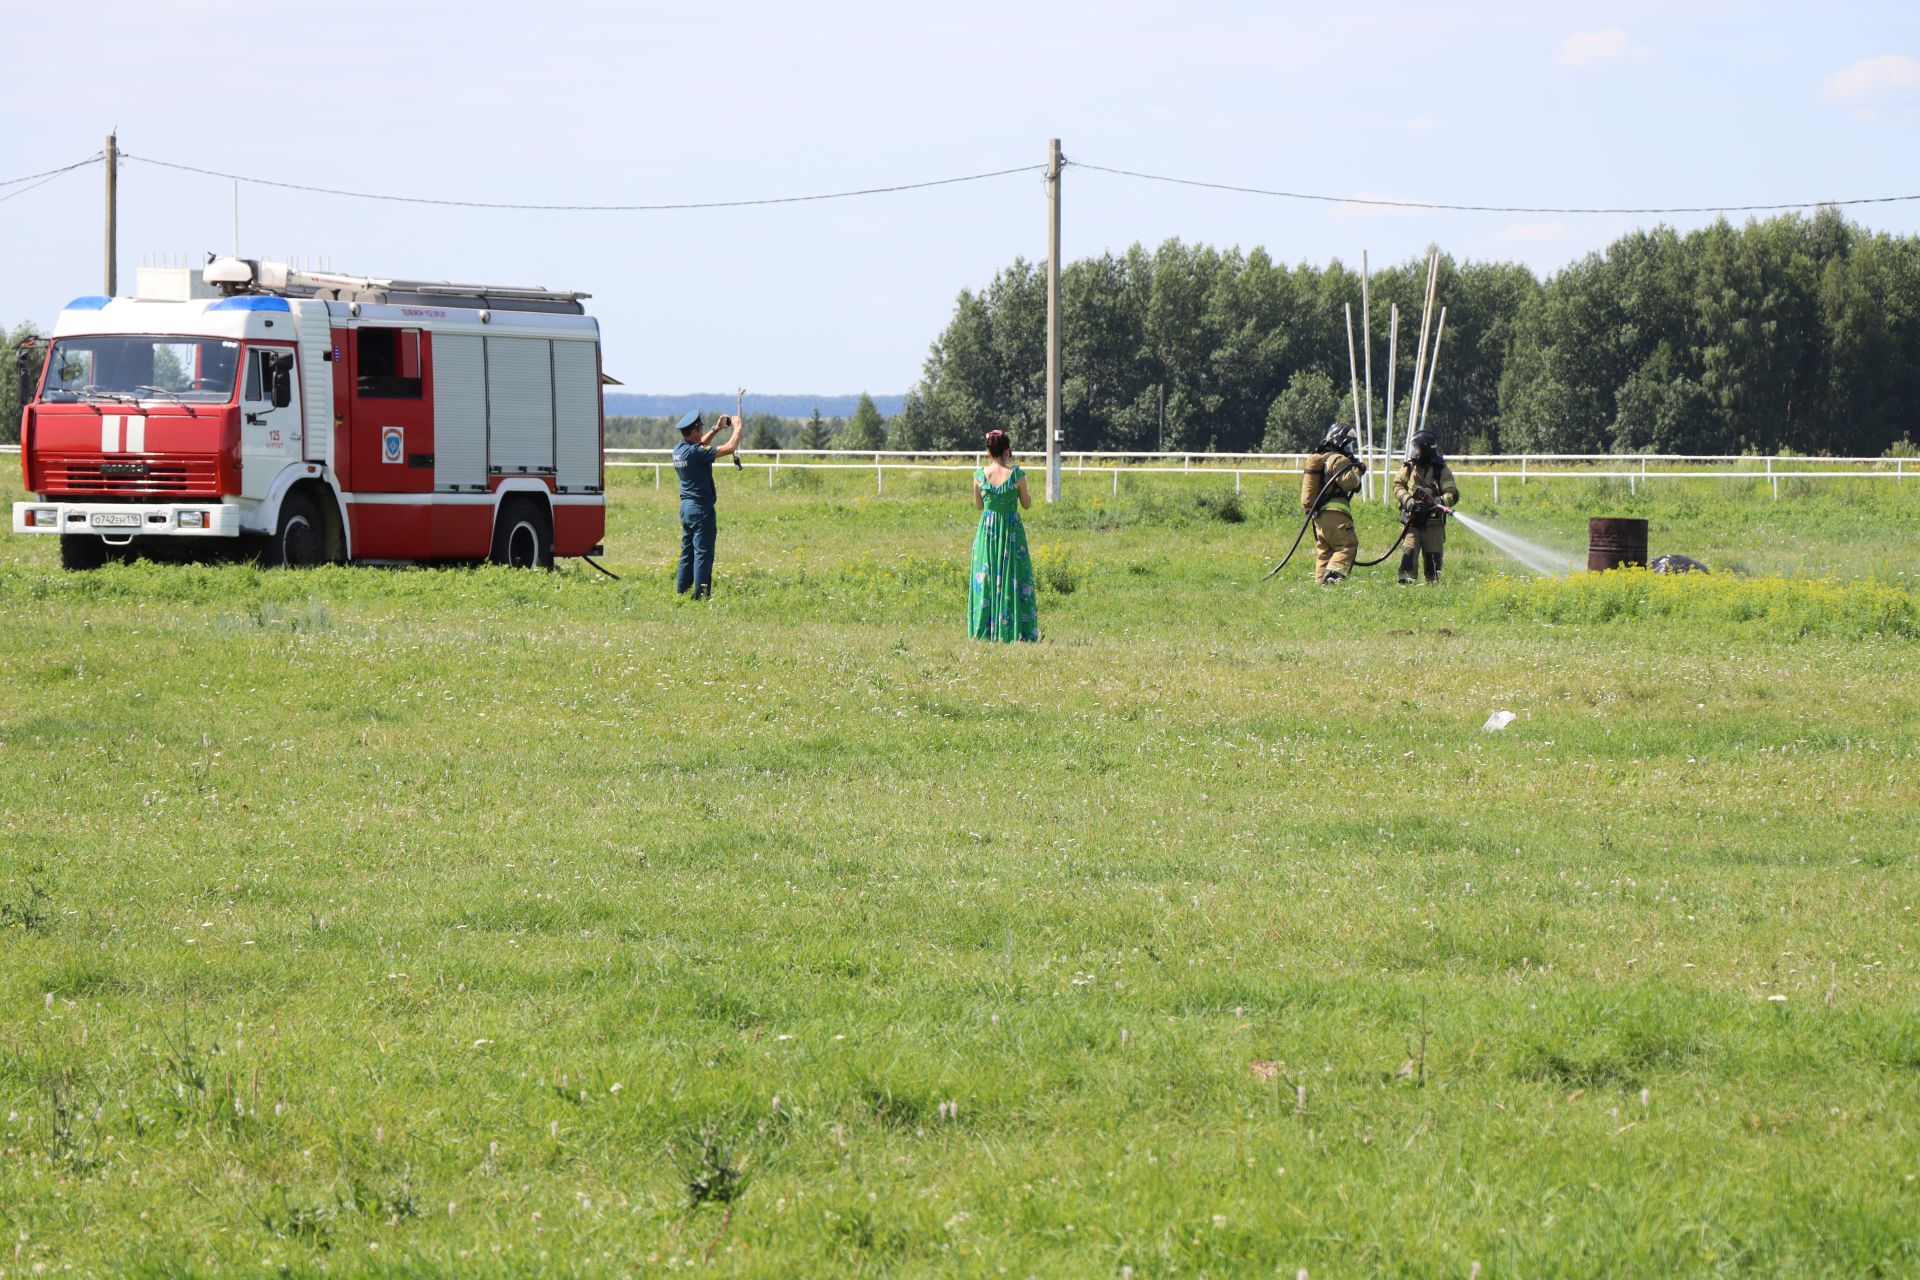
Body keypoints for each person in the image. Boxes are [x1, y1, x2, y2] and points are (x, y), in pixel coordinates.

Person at [969, 429, 1038, 642]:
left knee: (987, 577)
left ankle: (985, 632)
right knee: (1013, 577)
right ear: (1007, 451)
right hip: (1011, 533)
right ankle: (1014, 630)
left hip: (988, 533)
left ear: (989, 453)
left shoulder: (979, 476)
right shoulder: (1017, 475)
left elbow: (979, 506)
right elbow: (1026, 505)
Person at [672, 408, 743, 599]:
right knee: (703, 553)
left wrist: (716, 428)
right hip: (701, 509)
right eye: (701, 428)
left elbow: (700, 446)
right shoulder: (696, 453)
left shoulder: (679, 450)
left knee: (687, 552)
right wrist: (737, 428)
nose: (703, 431)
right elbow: (729, 448)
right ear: (695, 430)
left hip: (686, 508)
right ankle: (701, 596)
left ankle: (682, 591)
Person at [1391, 430, 1460, 585]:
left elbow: (1451, 494)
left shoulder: (1441, 470)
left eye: (1416, 449)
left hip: (1433, 522)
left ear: (1426, 450)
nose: (1413, 452)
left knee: (1433, 556)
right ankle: (1406, 584)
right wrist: (1408, 501)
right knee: (1409, 550)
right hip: (1412, 520)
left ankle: (1432, 586)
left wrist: (1436, 502)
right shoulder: (1408, 467)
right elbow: (1397, 486)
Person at [1301, 422, 1365, 584]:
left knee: (1325, 550)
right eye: (1348, 445)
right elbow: (1349, 483)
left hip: (1319, 517)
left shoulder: (1322, 458)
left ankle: (1319, 586)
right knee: (1347, 545)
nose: (1350, 450)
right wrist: (1358, 471)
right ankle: (1331, 581)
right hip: (1336, 514)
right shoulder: (1338, 459)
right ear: (1340, 442)